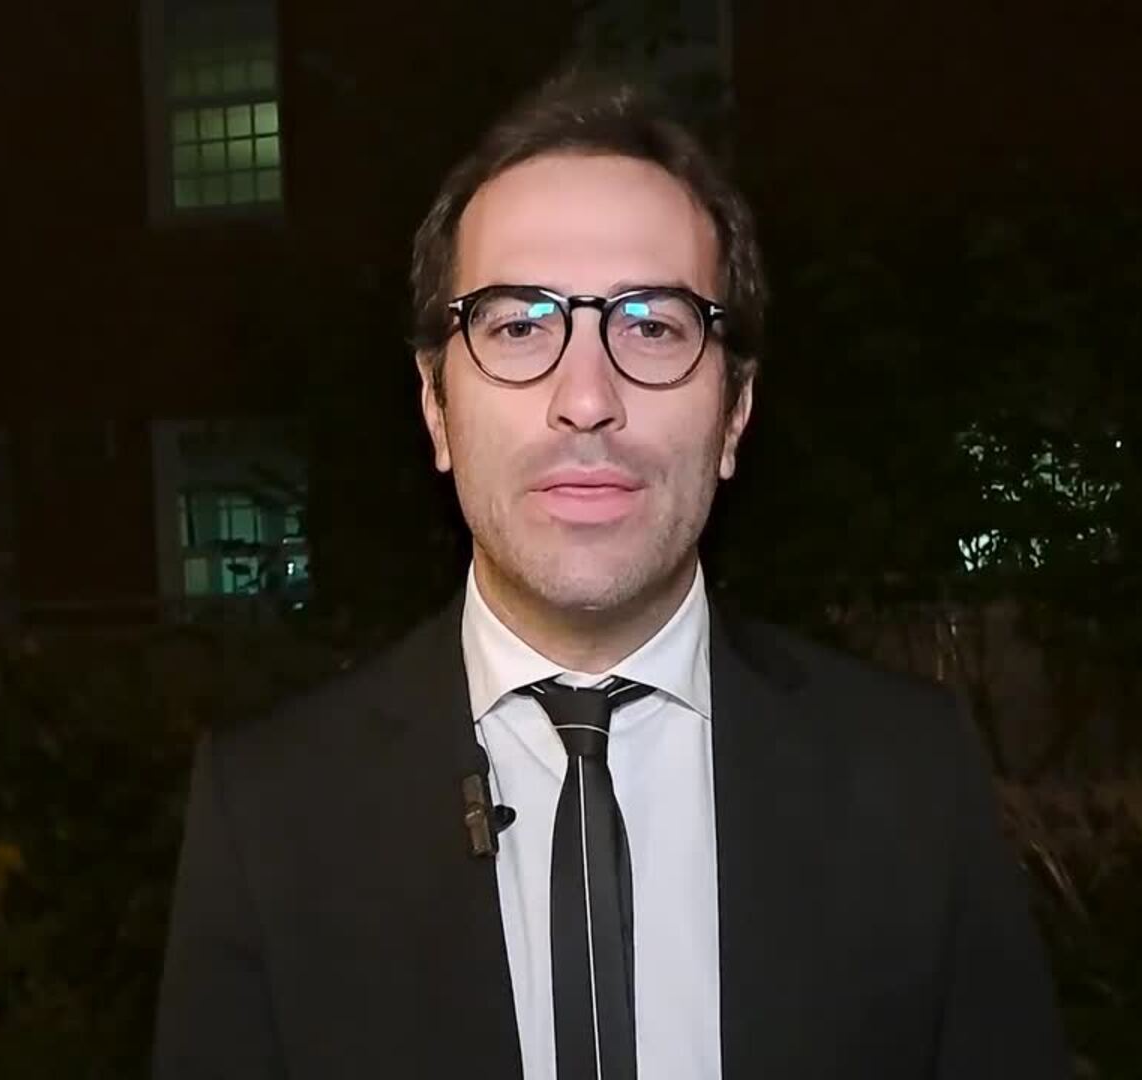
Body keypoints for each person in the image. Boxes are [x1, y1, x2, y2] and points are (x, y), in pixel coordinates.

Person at [153, 72, 1068, 1080]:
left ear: (734, 413)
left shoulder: (910, 780)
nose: (586, 398)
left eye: (651, 325)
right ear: (434, 406)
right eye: (518, 325)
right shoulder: (270, 814)